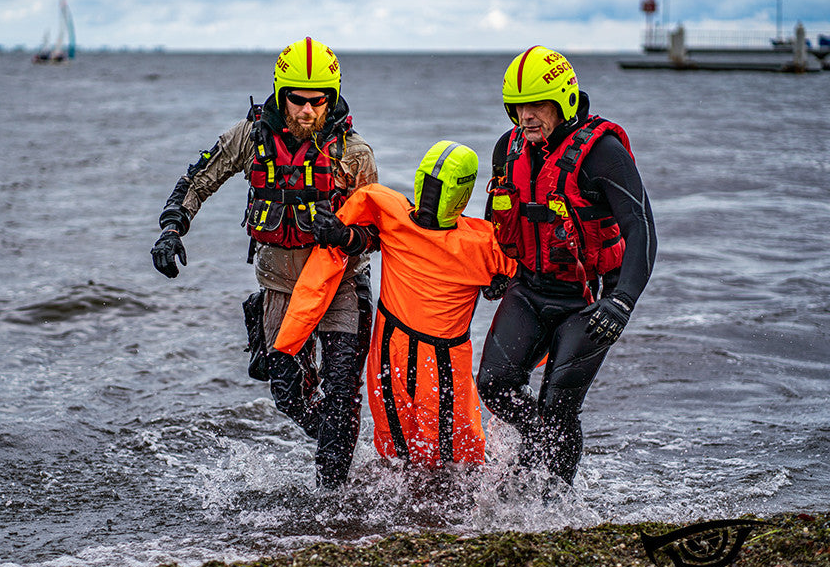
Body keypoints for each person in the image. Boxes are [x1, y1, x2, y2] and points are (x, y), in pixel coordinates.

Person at [150, 37, 377, 488]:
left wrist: (345, 234)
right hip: (278, 286)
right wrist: (172, 227)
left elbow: (375, 234)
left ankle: (332, 497)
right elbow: (199, 178)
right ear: (279, 93)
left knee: (341, 396)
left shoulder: (354, 154)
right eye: (297, 101)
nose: (307, 112)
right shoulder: (250, 137)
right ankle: (339, 448)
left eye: (318, 102)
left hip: (340, 287)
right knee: (288, 395)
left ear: (332, 98)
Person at [274, 141, 516, 468]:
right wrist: (340, 235)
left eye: (438, 188)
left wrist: (505, 285)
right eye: (428, 185)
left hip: (436, 363)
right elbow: (359, 242)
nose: (430, 196)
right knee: (396, 456)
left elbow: (532, 280)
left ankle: (447, 513)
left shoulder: (482, 243)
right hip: (392, 358)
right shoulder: (393, 213)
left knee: (454, 462)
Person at [476, 45, 657, 484]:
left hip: (589, 300)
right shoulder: (510, 147)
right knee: (494, 386)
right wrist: (497, 269)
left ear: (565, 101)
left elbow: (642, 229)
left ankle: (555, 503)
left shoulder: (604, 153)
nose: (527, 116)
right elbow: (496, 213)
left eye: (538, 104)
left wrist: (622, 303)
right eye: (518, 106)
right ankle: (534, 457)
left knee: (559, 403)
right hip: (530, 287)